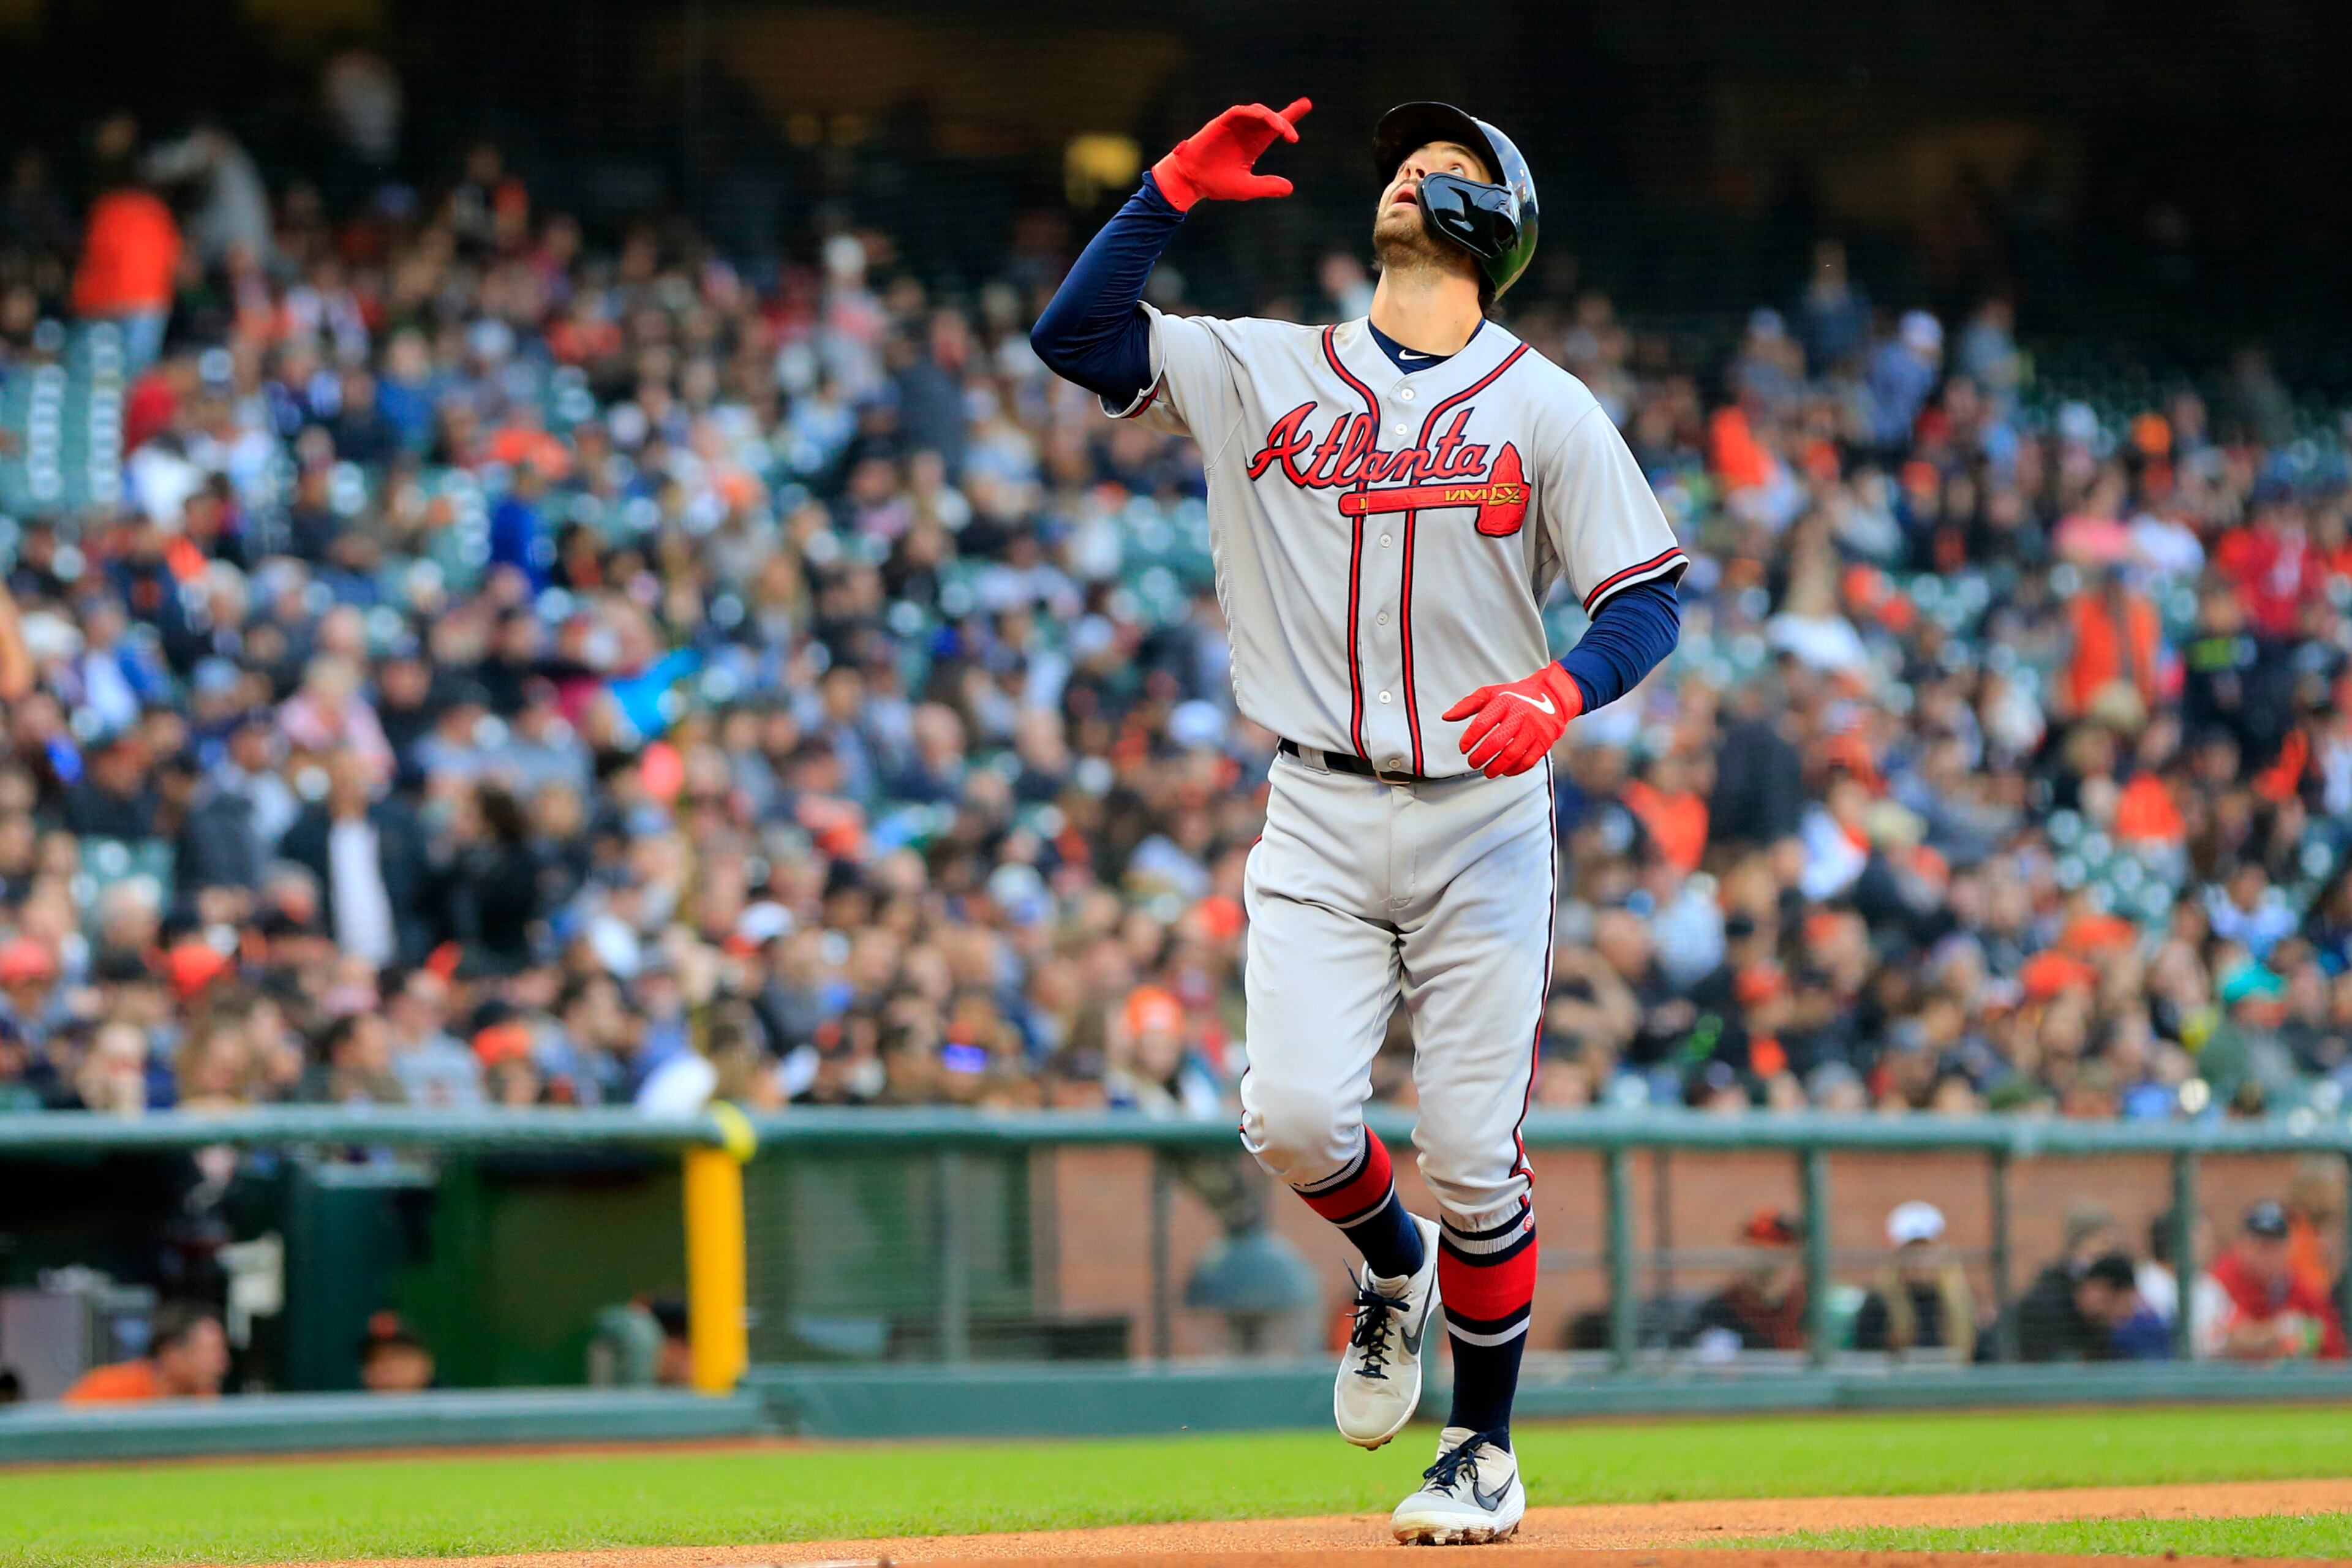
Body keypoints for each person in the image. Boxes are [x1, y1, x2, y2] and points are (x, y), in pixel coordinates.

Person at [1033, 97, 1684, 1543]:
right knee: (1295, 1113)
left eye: (1443, 166)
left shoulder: (1541, 403)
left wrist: (1562, 691)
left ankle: (1483, 1445)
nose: (1405, 169)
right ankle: (1390, 1267)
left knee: (1467, 1146)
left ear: (1489, 226)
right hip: (1316, 799)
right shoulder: (1267, 366)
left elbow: (1643, 598)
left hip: (1483, 814)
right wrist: (1166, 190)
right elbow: (1073, 336)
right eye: (1404, 158)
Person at [2209, 1200, 2347, 1360]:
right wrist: (2278, 1331)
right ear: (2242, 1245)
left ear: (2289, 1246)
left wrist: (2307, 1338)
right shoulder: (2221, 1281)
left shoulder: (2301, 1285)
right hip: (2232, 1381)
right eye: (2261, 1246)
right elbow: (2225, 1336)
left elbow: (2334, 1350)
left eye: (2276, 1246)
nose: (2268, 1255)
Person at [1854, 1200, 1976, 1358]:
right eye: (1911, 1249)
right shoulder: (1879, 1302)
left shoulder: (1960, 1302)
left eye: (1925, 1249)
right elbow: (1866, 1354)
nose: (1919, 1259)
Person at [61, 1302, 228, 1403]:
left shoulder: (204, 1400)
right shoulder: (107, 1390)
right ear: (171, 1353)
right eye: (211, 1352)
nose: (223, 1366)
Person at [1693, 1208, 1808, 1352]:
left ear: (1794, 1253)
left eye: (1779, 1244)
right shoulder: (1721, 1309)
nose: (1768, 1255)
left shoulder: (1811, 1304)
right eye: (1758, 1246)